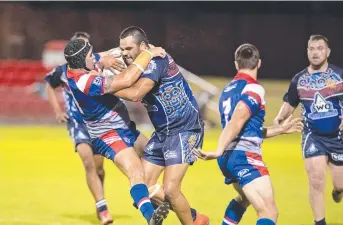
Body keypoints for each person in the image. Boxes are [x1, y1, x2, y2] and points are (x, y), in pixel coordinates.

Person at [108, 26, 209, 225]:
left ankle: (192, 221)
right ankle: (195, 218)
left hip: (184, 130)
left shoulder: (156, 60)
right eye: (122, 49)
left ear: (144, 46)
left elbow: (136, 93)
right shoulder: (138, 61)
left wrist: (103, 88)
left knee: (171, 190)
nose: (124, 53)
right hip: (163, 133)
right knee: (142, 188)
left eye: (129, 48)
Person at [194, 43, 303, 225]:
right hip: (243, 156)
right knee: (268, 212)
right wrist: (218, 149)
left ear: (236, 65)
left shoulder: (227, 90)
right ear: (259, 63)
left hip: (230, 157)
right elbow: (237, 120)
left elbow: (247, 129)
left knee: (244, 199)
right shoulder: (254, 88)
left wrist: (281, 130)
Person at [63, 38, 169, 225]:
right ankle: (150, 215)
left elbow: (100, 57)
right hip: (108, 134)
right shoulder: (85, 81)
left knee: (159, 156)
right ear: (82, 61)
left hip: (124, 128)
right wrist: (148, 54)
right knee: (135, 171)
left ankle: (142, 197)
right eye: (90, 55)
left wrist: (106, 59)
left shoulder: (79, 65)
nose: (93, 57)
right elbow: (126, 80)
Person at [45, 31, 125, 225]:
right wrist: (57, 110)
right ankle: (103, 209)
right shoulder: (62, 71)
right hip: (77, 123)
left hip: (98, 123)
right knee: (88, 162)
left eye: (87, 47)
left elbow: (111, 61)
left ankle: (101, 197)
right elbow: (49, 85)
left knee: (98, 168)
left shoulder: (97, 60)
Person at [274, 35, 343, 225]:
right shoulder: (299, 79)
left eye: (320, 48)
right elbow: (290, 103)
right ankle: (319, 222)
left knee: (340, 184)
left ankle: (338, 191)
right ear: (307, 52)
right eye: (311, 48)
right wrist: (280, 117)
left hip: (338, 138)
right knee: (316, 180)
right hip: (313, 136)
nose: (315, 52)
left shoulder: (339, 76)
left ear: (328, 52)